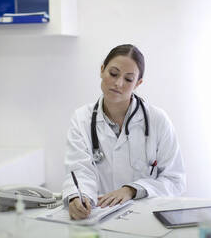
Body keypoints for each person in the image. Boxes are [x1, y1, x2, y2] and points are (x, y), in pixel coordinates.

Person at [62, 44, 186, 220]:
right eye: (113, 74)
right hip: (98, 217)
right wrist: (78, 197)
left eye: (128, 79)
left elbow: (175, 180)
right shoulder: (82, 118)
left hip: (145, 220)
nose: (118, 83)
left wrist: (132, 189)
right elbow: (79, 170)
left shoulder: (157, 120)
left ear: (138, 83)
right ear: (102, 70)